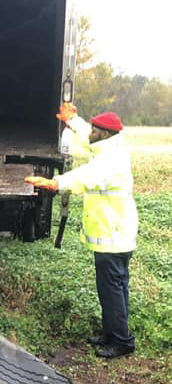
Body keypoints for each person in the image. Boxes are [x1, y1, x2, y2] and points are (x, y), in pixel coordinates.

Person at [25, 103, 138, 359]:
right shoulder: (110, 145)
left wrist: (55, 183)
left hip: (114, 236)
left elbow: (88, 176)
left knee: (113, 289)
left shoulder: (109, 160)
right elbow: (89, 137)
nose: (91, 133)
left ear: (106, 134)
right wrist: (73, 120)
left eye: (95, 130)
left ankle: (121, 341)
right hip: (114, 234)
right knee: (111, 288)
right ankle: (111, 332)